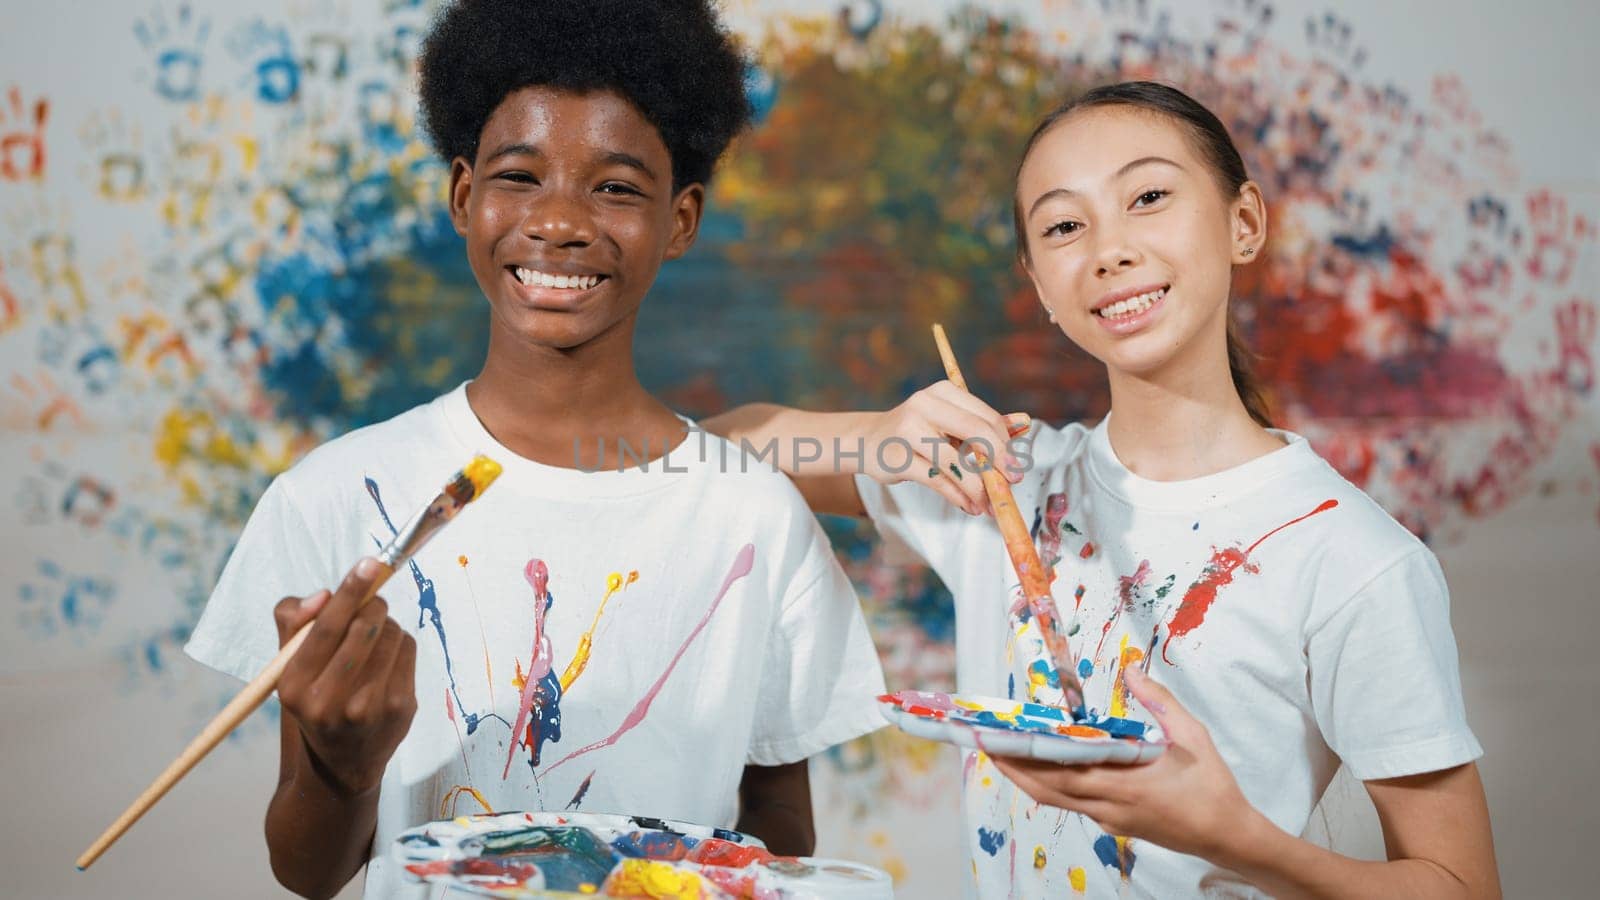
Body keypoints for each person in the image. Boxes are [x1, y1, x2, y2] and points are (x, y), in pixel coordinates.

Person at [705, 81, 1498, 898]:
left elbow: (1462, 885)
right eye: (1063, 226)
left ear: (1244, 222)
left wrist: (1235, 838)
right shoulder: (1003, 481)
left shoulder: (1354, 558)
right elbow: (718, 448)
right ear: (1041, 286)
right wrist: (876, 437)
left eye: (1148, 196)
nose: (1108, 249)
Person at [184, 3, 886, 897]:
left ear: (681, 220)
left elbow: (781, 829)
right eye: (520, 176)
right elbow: (308, 871)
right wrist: (344, 764)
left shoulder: (754, 515)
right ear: (463, 196)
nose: (559, 222)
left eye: (617, 187)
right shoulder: (338, 497)